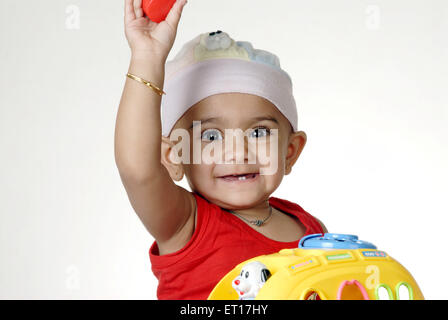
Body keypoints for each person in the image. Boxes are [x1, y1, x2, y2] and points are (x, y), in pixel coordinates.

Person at [115, 0, 328, 299]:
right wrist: (147, 58)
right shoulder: (185, 225)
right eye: (211, 136)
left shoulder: (311, 229)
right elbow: (138, 170)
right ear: (173, 156)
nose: (236, 152)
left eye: (258, 132)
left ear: (290, 151)